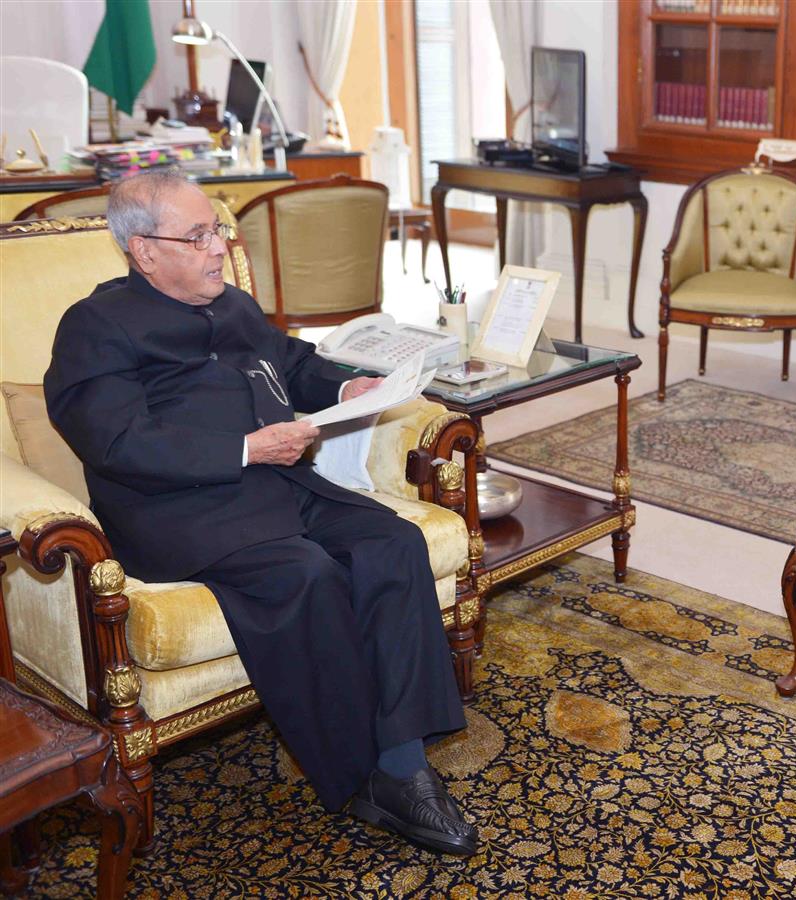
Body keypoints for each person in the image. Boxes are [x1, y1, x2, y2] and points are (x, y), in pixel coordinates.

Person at [45, 170, 478, 856]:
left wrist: (346, 382)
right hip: (183, 509)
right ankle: (360, 775)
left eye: (215, 229)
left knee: (389, 542)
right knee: (305, 575)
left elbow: (288, 360)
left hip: (279, 484)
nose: (217, 247)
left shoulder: (233, 303)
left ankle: (401, 764)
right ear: (143, 251)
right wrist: (245, 448)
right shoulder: (93, 328)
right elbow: (117, 441)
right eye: (196, 236)